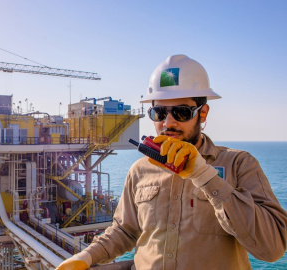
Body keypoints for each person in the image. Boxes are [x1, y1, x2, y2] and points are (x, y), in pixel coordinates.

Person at [57, 54, 287, 270]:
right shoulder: (140, 170)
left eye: (181, 112)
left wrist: (204, 176)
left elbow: (272, 248)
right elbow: (124, 231)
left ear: (203, 113)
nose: (168, 123)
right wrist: (85, 257)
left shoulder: (238, 164)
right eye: (159, 112)